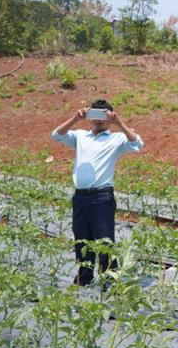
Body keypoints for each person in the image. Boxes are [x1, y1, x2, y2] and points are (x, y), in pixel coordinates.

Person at [51, 99, 144, 286]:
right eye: (94, 115)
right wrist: (75, 118)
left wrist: (119, 123)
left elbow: (137, 143)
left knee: (104, 240)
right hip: (80, 196)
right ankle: (84, 278)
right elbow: (56, 135)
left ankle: (110, 280)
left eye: (103, 116)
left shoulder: (116, 139)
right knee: (81, 238)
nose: (98, 120)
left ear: (109, 118)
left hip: (101, 197)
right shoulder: (80, 136)